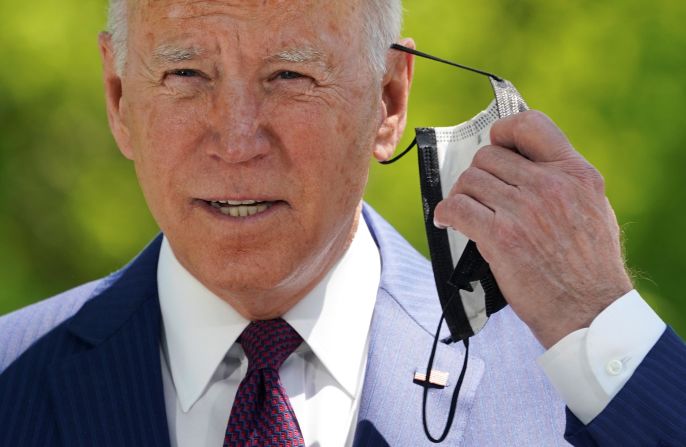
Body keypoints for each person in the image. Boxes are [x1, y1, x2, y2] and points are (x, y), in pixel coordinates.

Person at [0, 1, 684, 446]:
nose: (237, 140)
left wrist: (603, 320)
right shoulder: (11, 379)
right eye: (185, 73)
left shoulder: (561, 386)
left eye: (290, 76)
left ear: (389, 100)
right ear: (119, 99)